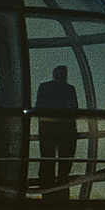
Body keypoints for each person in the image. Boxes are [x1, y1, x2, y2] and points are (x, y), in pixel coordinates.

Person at [35, 65, 78, 198]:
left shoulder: (45, 87)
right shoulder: (70, 89)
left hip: (48, 130)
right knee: (64, 163)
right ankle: (61, 191)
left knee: (47, 160)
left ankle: (48, 191)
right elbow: (74, 110)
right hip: (66, 131)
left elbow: (38, 107)